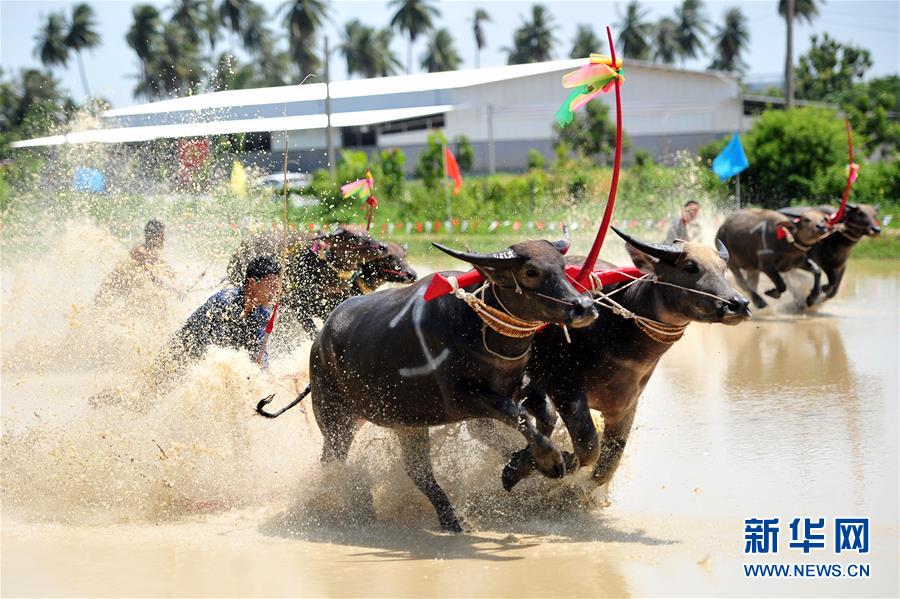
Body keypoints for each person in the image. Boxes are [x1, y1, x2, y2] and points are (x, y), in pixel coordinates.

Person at [90, 256, 281, 408]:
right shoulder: (226, 302)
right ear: (251, 283)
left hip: (202, 367)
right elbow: (217, 350)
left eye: (277, 286)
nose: (274, 292)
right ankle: (111, 397)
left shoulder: (262, 313)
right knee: (143, 402)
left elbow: (260, 350)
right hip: (179, 354)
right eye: (270, 285)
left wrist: (264, 372)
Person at [96, 219, 179, 303]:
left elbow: (164, 271)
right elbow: (153, 278)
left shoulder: (153, 254)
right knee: (97, 308)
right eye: (162, 236)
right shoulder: (140, 252)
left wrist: (176, 286)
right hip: (112, 286)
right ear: (155, 237)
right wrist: (172, 291)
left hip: (123, 287)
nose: (164, 239)